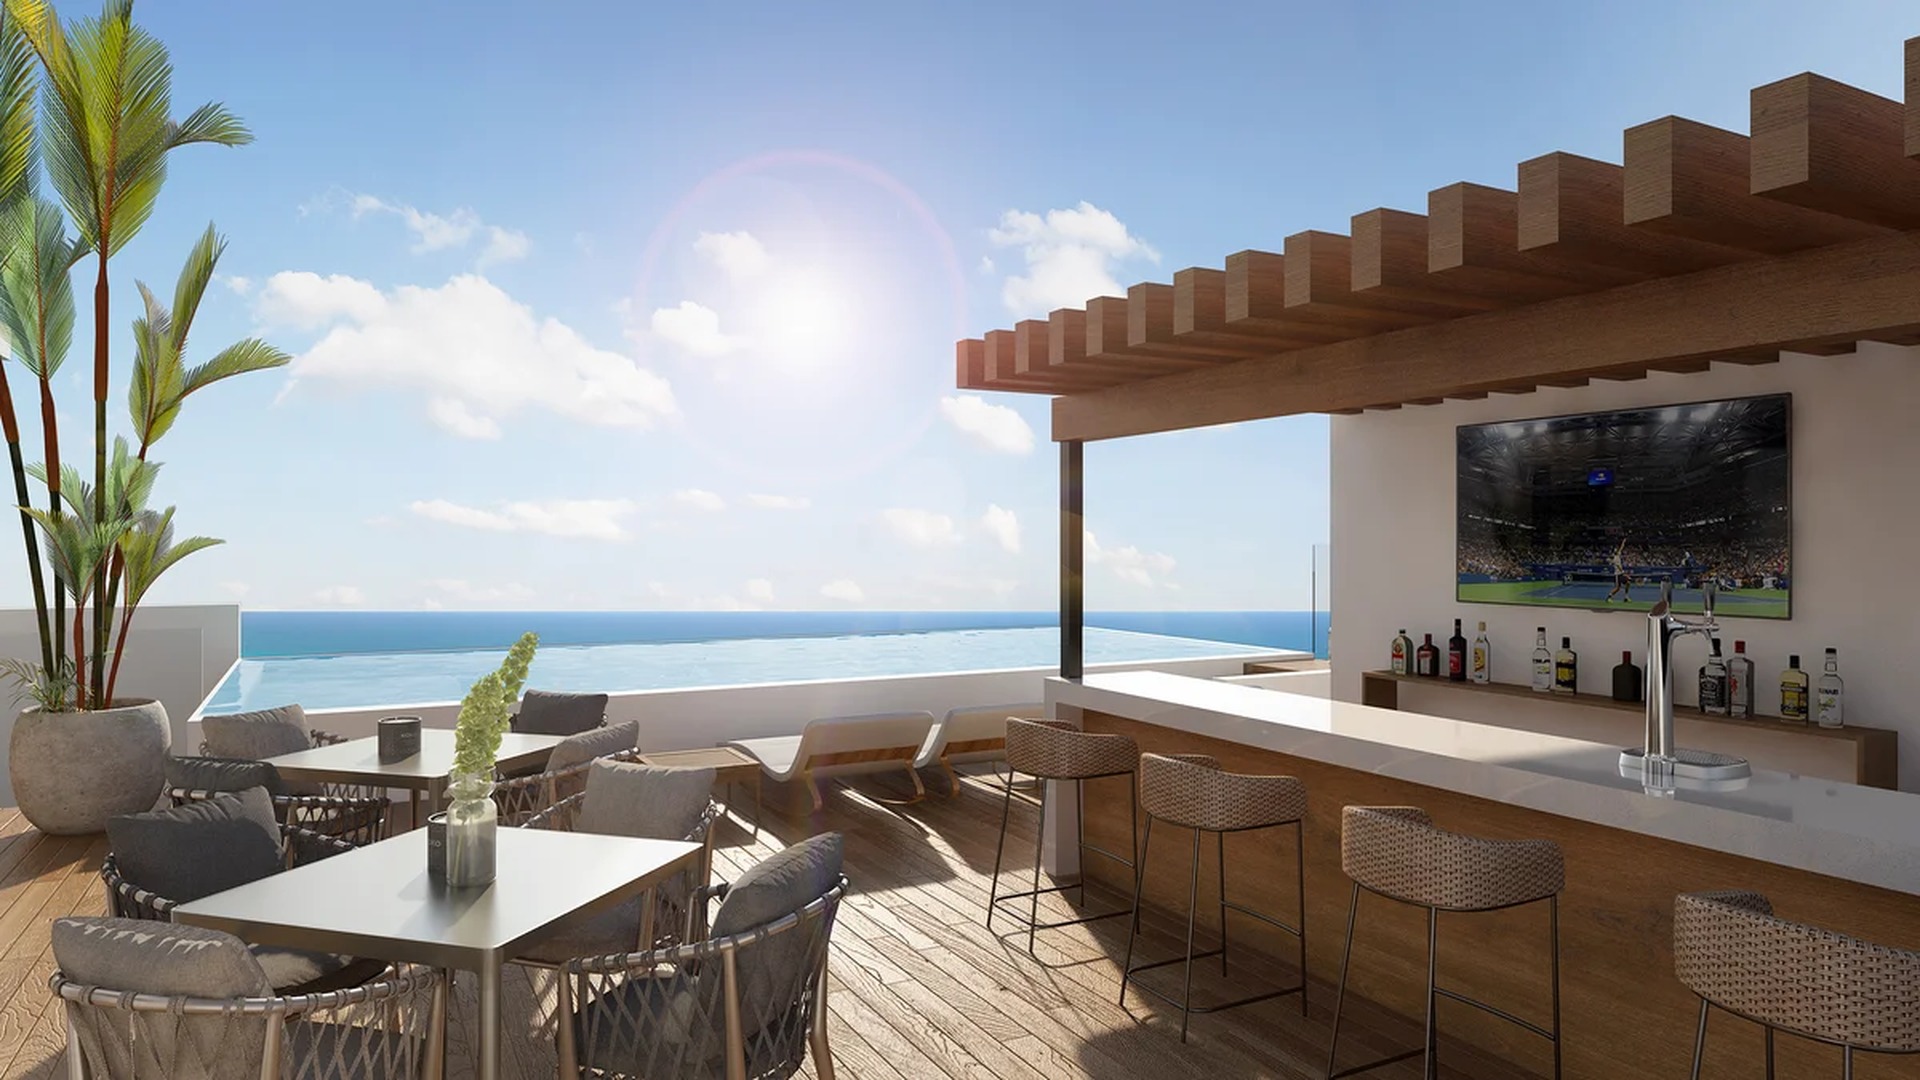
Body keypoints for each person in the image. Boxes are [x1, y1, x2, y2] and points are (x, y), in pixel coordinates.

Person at [1605, 538, 1633, 603]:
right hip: (1618, 575)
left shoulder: (1618, 555)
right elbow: (1618, 567)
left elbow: (1621, 548)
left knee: (1628, 583)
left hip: (1621, 574)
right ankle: (1609, 597)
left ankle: (1626, 597)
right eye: (1616, 551)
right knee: (1617, 588)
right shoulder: (1615, 559)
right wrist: (1623, 573)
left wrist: (1623, 542)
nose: (1617, 551)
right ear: (1614, 552)